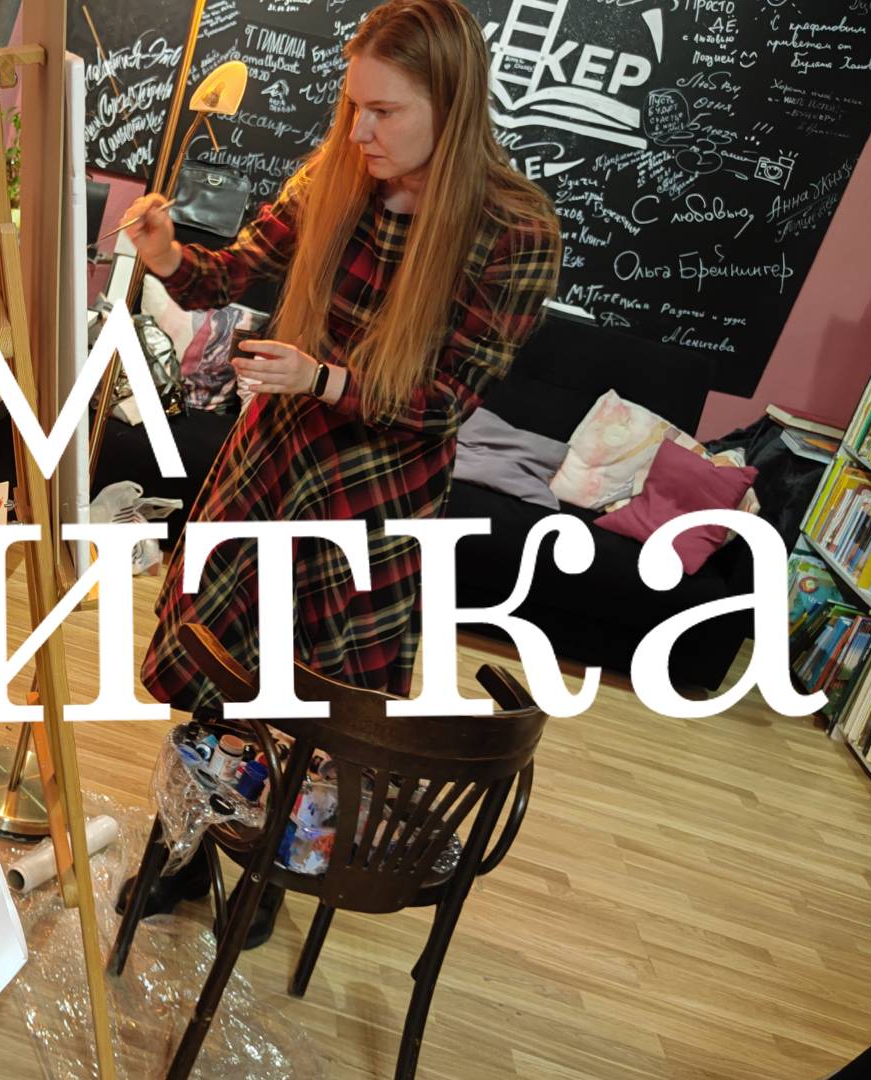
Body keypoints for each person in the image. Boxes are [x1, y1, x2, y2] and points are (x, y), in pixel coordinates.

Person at [118, 0, 562, 943]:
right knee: (214, 672)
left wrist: (323, 378)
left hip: (371, 503)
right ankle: (184, 850)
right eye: (354, 106)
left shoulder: (515, 232)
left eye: (385, 111)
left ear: (452, 104)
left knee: (316, 711)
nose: (360, 130)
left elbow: (447, 402)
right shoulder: (336, 173)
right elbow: (231, 273)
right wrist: (168, 256)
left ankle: (272, 872)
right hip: (270, 466)